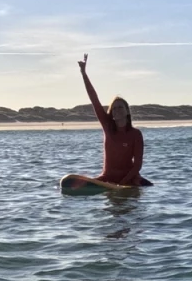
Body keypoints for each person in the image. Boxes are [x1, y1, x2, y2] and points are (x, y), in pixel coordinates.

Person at [61, 55, 150, 192]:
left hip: (129, 180)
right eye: (114, 108)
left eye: (120, 107)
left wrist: (122, 184)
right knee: (66, 182)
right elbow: (94, 99)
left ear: (127, 111)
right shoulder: (108, 127)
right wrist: (84, 73)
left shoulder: (135, 134)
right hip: (107, 179)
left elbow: (137, 165)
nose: (116, 110)